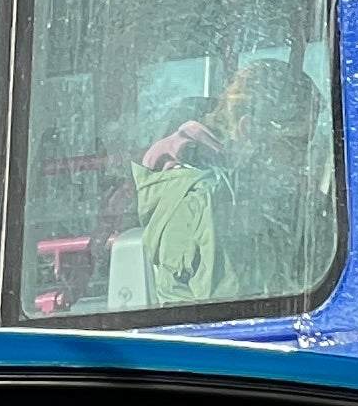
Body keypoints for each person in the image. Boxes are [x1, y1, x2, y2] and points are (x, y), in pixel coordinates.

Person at [130, 63, 323, 307]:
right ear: (248, 128)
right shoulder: (215, 203)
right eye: (296, 143)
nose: (302, 158)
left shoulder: (235, 186)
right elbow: (246, 315)